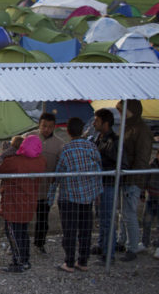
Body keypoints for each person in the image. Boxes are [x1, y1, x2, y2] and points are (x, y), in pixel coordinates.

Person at [48, 117, 103, 273]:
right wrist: (97, 192)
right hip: (87, 197)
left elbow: (58, 175)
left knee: (70, 231)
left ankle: (69, 262)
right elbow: (99, 168)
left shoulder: (67, 150)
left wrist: (50, 197)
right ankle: (83, 261)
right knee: (86, 230)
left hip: (69, 198)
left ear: (68, 131)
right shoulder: (92, 147)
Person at [0, 135, 46, 273]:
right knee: (23, 232)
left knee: (13, 232)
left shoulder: (15, 162)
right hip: (29, 203)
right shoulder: (40, 161)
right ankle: (25, 259)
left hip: (13, 204)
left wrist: (6, 153)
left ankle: (18, 262)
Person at [116, 100, 153, 262]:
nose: (120, 114)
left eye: (122, 111)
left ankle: (132, 247)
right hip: (124, 176)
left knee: (129, 213)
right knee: (122, 212)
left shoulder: (141, 130)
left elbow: (142, 159)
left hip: (132, 178)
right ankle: (121, 240)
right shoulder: (127, 127)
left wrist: (134, 178)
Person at [26, 112, 65, 255]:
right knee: (24, 216)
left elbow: (60, 165)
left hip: (46, 189)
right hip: (29, 187)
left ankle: (40, 243)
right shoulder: (30, 137)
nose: (46, 129)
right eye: (44, 126)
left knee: (43, 218)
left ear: (54, 127)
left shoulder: (59, 144)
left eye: (49, 127)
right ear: (39, 125)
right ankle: (20, 243)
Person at [89, 108, 119, 260]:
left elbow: (119, 164)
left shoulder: (114, 141)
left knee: (107, 218)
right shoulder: (98, 138)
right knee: (101, 217)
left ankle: (109, 254)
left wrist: (100, 166)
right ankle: (102, 245)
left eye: (97, 121)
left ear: (105, 123)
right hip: (99, 183)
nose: (94, 123)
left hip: (108, 184)